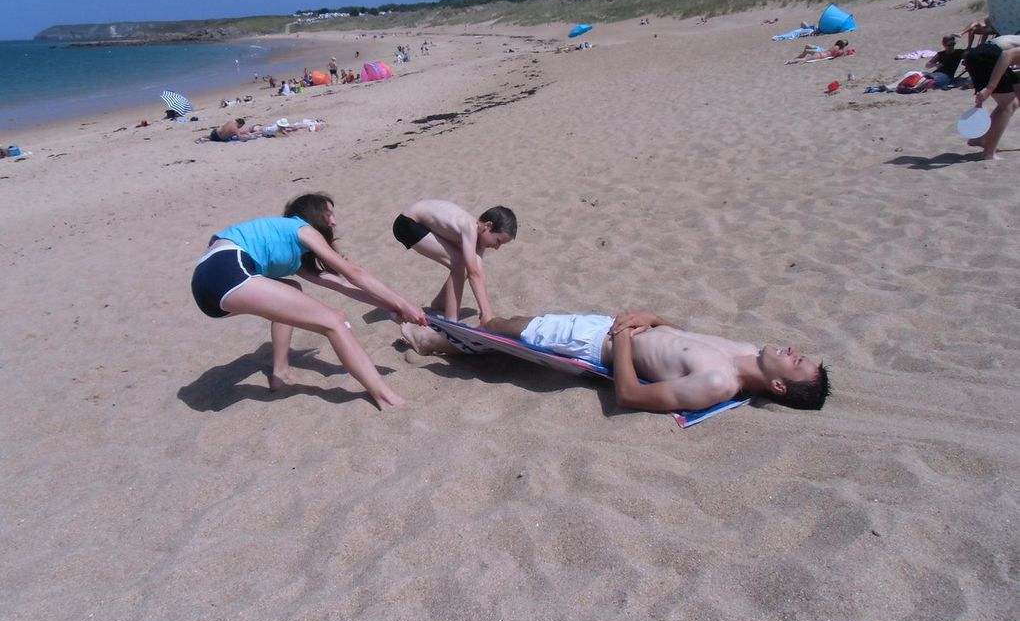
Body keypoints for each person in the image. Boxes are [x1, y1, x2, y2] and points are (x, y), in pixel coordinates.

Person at [191, 193, 426, 408]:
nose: (333, 222)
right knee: (335, 321)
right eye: (328, 213)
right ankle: (386, 397)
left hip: (206, 288)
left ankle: (280, 374)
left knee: (292, 288)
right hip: (226, 268)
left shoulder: (295, 255)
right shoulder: (301, 228)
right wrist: (404, 303)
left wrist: (391, 306)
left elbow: (343, 285)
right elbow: (353, 273)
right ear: (312, 214)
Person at [400, 311, 830, 413]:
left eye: (797, 361)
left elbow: (629, 395)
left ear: (779, 387)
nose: (793, 351)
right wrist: (652, 318)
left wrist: (622, 340)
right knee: (506, 327)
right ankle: (451, 339)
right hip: (612, 326)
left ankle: (436, 342)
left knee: (505, 327)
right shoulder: (745, 348)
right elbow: (679, 336)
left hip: (597, 345)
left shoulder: (717, 384)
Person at [392, 200, 517, 325]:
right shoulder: (469, 227)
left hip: (421, 224)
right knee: (459, 263)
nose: (496, 247)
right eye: (498, 241)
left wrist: (487, 312)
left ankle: (440, 303)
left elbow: (478, 274)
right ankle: (451, 321)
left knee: (465, 263)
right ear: (488, 226)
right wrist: (486, 313)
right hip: (407, 223)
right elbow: (474, 274)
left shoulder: (479, 238)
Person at [965, 35, 1020, 160]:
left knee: (1017, 96)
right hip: (987, 57)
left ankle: (979, 138)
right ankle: (988, 152)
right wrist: (990, 88)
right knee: (1009, 104)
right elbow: (1008, 54)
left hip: (986, 55)